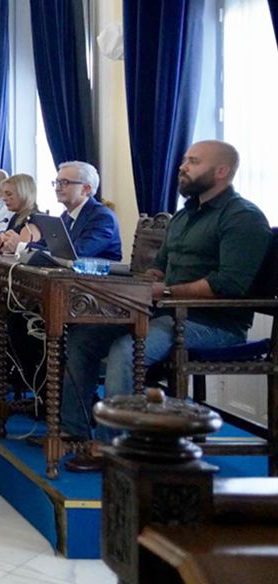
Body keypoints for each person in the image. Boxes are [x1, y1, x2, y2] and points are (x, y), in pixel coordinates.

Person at [59, 141, 271, 471]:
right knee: (82, 337)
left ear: (221, 171)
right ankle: (74, 432)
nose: (183, 166)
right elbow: (159, 266)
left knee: (127, 349)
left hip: (212, 324)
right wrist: (146, 282)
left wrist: (166, 291)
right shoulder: (184, 215)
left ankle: (112, 447)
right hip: (165, 311)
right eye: (185, 159)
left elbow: (229, 284)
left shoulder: (243, 218)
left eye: (193, 161)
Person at [3, 161, 122, 261]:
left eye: (65, 183)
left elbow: (75, 254)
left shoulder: (102, 217)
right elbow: (45, 245)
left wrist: (21, 246)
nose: (57, 188)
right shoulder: (65, 216)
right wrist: (11, 244)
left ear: (86, 189)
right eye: (57, 182)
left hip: (97, 285)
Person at [0, 174, 41, 254]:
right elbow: (8, 249)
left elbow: (24, 255)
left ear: (23, 194)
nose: (4, 198)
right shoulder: (16, 216)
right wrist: (1, 244)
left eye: (9, 194)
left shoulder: (33, 220)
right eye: (4, 194)